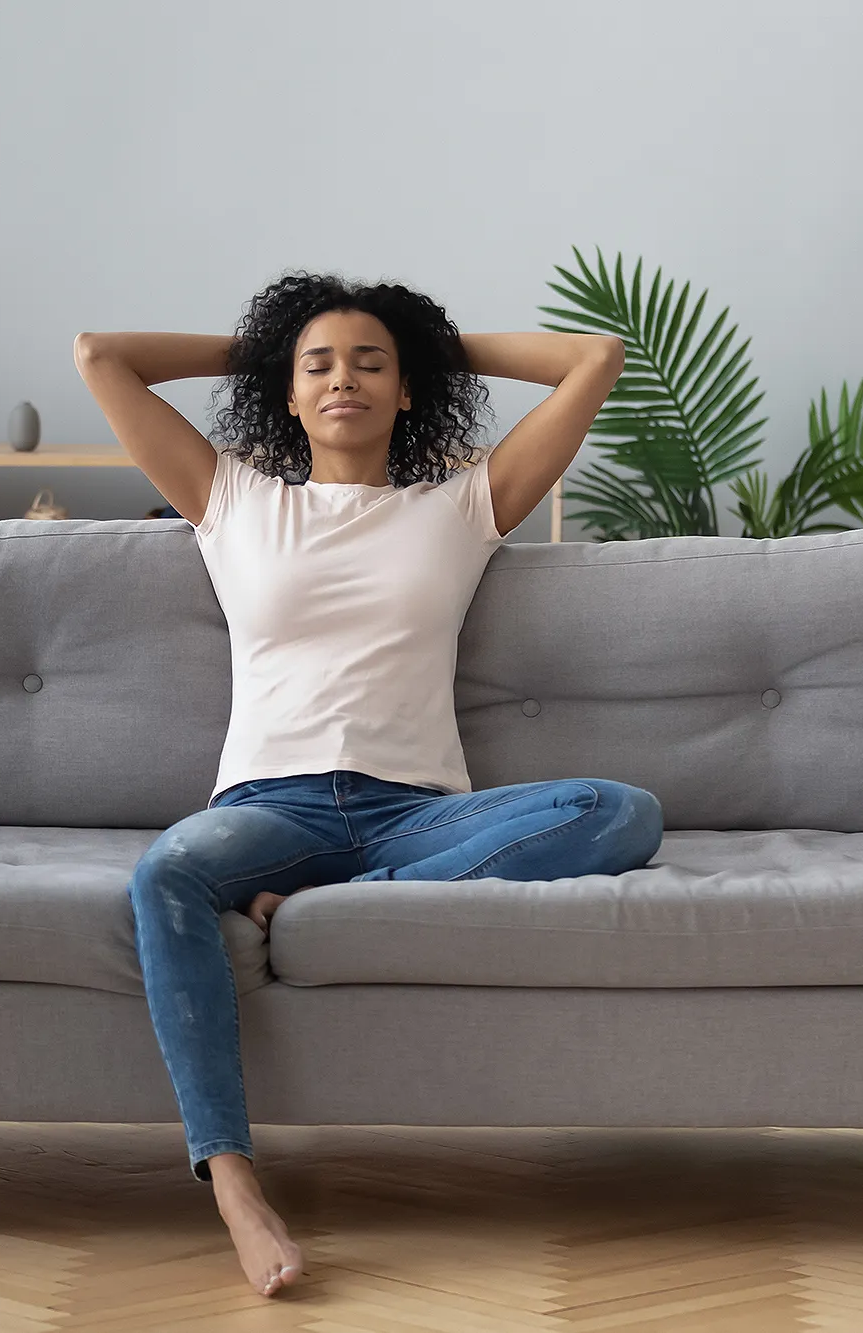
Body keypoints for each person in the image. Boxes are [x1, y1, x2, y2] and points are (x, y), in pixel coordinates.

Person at [73, 273, 664, 1298]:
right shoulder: (232, 499)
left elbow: (593, 361)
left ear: (406, 391)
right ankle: (234, 1186)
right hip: (268, 810)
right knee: (167, 874)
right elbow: (99, 356)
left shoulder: (461, 505)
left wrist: (424, 341)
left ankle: (337, 894)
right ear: (286, 394)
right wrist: (267, 345)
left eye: (369, 362)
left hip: (418, 812)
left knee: (619, 811)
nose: (342, 376)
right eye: (317, 364)